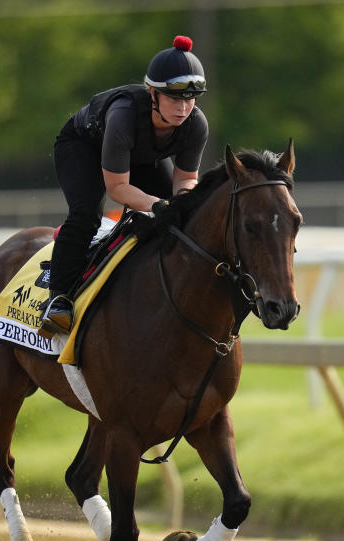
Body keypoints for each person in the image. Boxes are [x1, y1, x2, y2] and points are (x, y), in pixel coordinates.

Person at [37, 35, 209, 338]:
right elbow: (117, 188)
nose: (183, 108)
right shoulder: (124, 114)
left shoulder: (196, 124)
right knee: (87, 212)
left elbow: (186, 179)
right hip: (83, 147)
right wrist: (156, 205)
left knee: (178, 215)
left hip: (139, 154)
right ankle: (59, 299)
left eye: (189, 99)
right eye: (174, 98)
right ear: (152, 94)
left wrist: (181, 202)